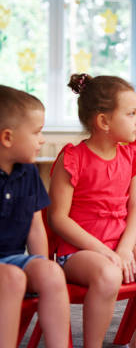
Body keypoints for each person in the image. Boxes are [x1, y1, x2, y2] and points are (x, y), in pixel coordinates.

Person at [48, 74, 136, 348]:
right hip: (79, 252)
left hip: (121, 246)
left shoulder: (132, 154)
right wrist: (105, 252)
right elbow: (58, 218)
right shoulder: (72, 157)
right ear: (104, 122)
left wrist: (123, 249)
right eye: (131, 113)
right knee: (109, 273)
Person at [0, 85, 70, 347]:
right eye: (37, 132)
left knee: (51, 272)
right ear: (7, 137)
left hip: (13, 258)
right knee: (12, 278)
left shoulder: (28, 171)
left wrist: (40, 263)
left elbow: (35, 226)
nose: (42, 139)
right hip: (6, 271)